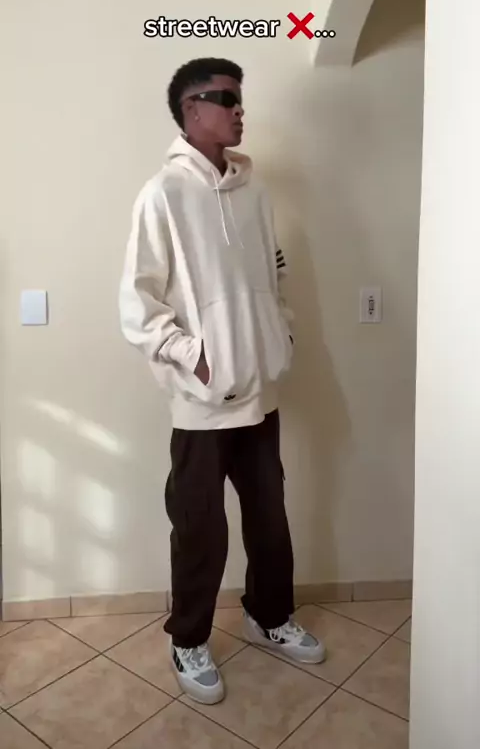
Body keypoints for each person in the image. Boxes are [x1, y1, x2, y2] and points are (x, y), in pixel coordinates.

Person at [119, 57, 326, 705]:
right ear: (191, 110)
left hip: (261, 393)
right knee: (200, 529)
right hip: (202, 402)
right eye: (226, 98)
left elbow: (276, 276)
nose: (240, 109)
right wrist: (196, 356)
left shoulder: (256, 193)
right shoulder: (162, 194)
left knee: (270, 519)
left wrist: (280, 336)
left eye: (240, 98)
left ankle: (270, 615)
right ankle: (188, 638)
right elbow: (138, 305)